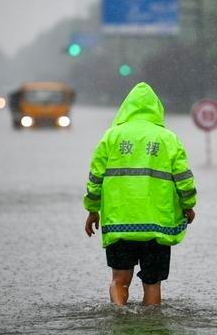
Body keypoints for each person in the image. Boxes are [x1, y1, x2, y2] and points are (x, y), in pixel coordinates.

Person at [83, 82, 197, 306]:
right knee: (153, 283)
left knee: (119, 280)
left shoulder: (111, 137)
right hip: (157, 226)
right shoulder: (168, 139)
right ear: (156, 108)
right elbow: (184, 180)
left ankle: (120, 317)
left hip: (120, 223)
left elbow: (95, 178)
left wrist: (92, 210)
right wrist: (188, 205)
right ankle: (152, 325)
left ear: (126, 107)